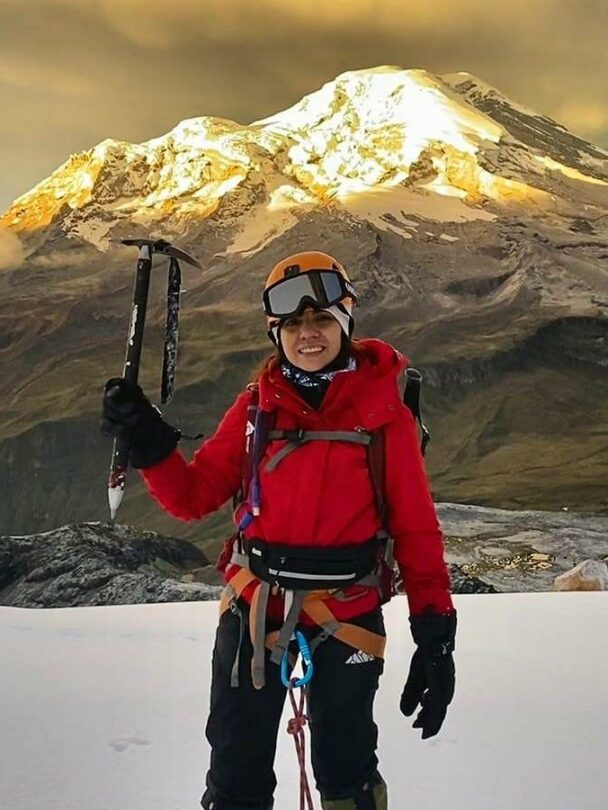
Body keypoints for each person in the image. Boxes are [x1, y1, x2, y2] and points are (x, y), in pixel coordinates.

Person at [101, 250, 457, 810]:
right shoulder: (254, 411)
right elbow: (193, 497)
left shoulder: (385, 414)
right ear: (276, 332)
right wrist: (149, 443)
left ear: (345, 322)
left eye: (320, 320)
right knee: (235, 776)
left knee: (348, 771)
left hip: (345, 612)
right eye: (292, 324)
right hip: (255, 606)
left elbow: (416, 529)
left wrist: (435, 635)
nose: (307, 335)